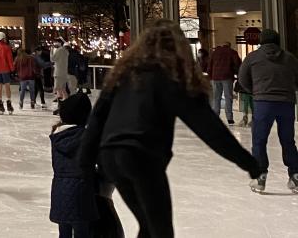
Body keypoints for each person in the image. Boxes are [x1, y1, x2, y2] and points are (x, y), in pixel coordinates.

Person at [79, 20, 260, 237]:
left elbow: (97, 120)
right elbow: (209, 128)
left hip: (110, 157)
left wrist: (83, 165)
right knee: (160, 231)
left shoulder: (123, 75)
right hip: (141, 156)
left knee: (149, 226)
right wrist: (247, 161)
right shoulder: (171, 77)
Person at [237, 28, 298, 194]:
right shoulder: (290, 58)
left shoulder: (252, 58)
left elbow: (242, 78)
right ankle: (295, 175)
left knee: (259, 140)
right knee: (287, 140)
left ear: (261, 42)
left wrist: (255, 91)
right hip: (286, 104)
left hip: (263, 103)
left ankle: (260, 176)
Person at [50, 93, 97, 238]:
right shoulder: (87, 136)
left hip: (59, 190)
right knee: (82, 232)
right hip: (81, 191)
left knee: (63, 232)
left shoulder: (57, 135)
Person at [207, 41, 241, 125]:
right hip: (227, 77)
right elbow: (237, 64)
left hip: (215, 77)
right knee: (228, 97)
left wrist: (210, 76)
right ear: (229, 46)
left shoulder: (214, 53)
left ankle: (215, 116)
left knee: (216, 98)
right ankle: (229, 118)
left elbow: (209, 65)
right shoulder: (232, 52)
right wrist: (237, 73)